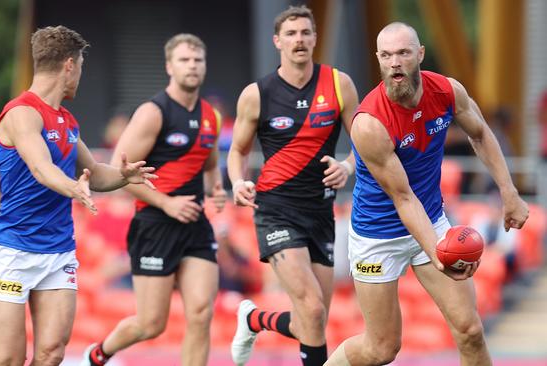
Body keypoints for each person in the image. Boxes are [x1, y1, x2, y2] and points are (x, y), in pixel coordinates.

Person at [0, 26, 156, 366]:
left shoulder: (67, 121)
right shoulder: (21, 112)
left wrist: (125, 176)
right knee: (6, 358)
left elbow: (95, 173)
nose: (80, 75)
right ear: (69, 65)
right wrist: (74, 188)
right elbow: (41, 168)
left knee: (51, 353)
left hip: (58, 252)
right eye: (81, 66)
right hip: (13, 249)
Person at [324, 22, 529, 366]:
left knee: (470, 330)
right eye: (386, 55)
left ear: (419, 54)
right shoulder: (369, 123)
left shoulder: (448, 91)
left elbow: (480, 134)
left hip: (431, 219)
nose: (395, 63)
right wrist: (438, 253)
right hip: (378, 235)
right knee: (382, 348)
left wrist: (510, 193)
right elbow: (403, 198)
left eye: (403, 53)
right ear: (378, 60)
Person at [80, 33, 226, 366]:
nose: (192, 66)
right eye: (184, 60)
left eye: (197, 60)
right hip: (155, 223)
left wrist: (216, 187)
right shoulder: (153, 112)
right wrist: (167, 203)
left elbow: (211, 161)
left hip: (195, 223)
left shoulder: (211, 117)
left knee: (202, 312)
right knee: (151, 324)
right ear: (169, 66)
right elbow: (118, 173)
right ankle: (99, 354)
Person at [227, 5, 359, 366]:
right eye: (290, 33)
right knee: (312, 308)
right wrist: (238, 181)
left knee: (312, 320)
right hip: (276, 210)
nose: (298, 40)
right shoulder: (257, 93)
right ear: (277, 41)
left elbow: (366, 143)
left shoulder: (338, 83)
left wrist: (347, 166)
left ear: (315, 39)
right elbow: (237, 151)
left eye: (305, 33)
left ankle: (255, 319)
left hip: (321, 212)